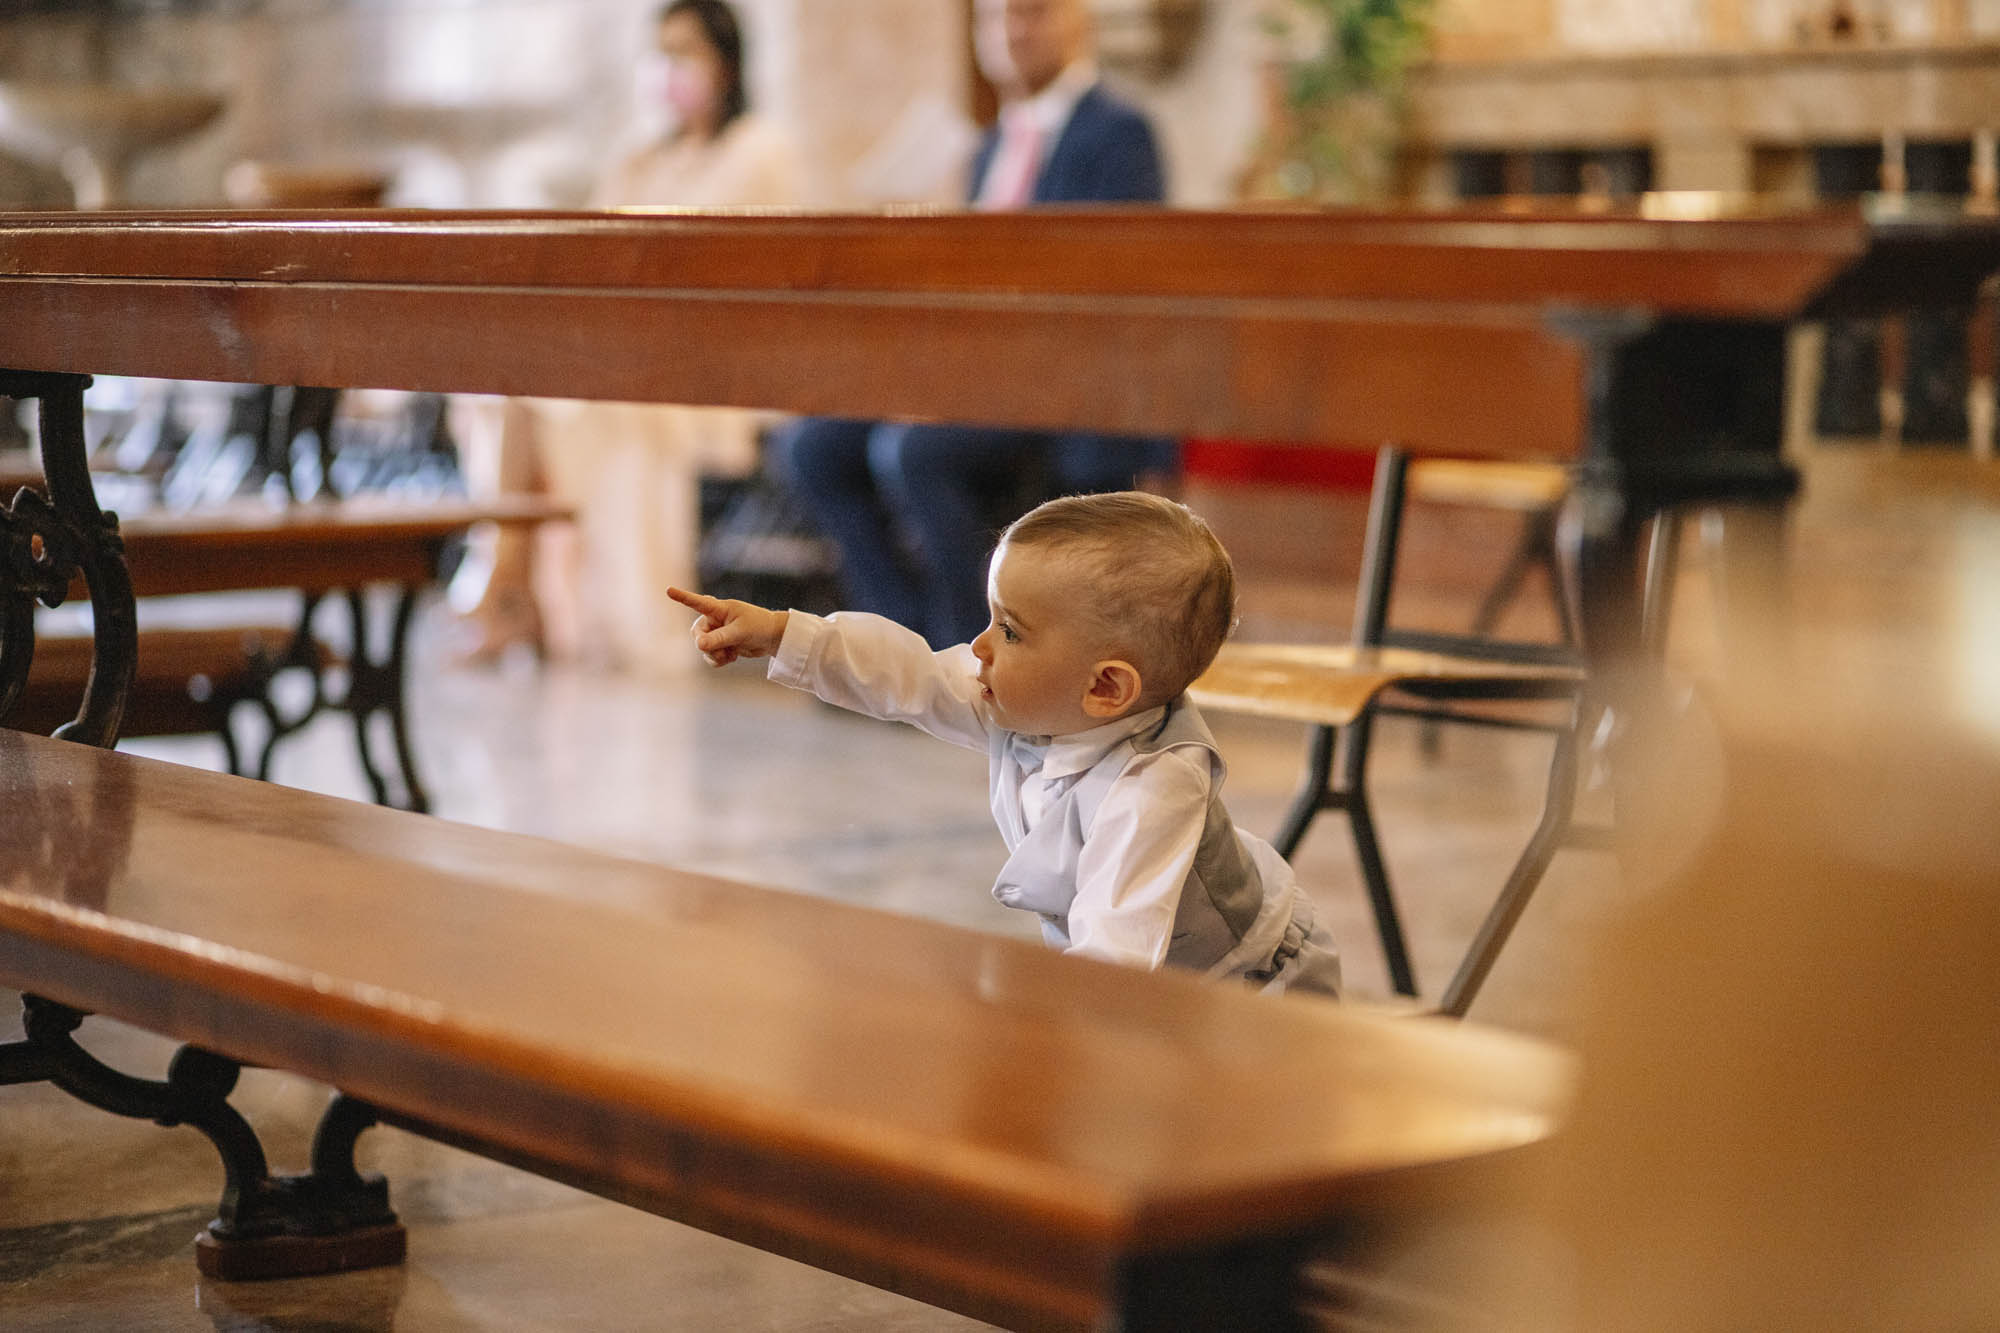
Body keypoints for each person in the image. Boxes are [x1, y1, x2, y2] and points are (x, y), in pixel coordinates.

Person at [667, 492, 1341, 995]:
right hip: (1161, 979)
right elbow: (913, 675)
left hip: (1250, 984)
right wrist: (785, 633)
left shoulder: (1156, 787)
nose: (980, 645)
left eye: (1010, 631)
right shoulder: (1033, 699)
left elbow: (1118, 948)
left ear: (1105, 686)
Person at [773, 0, 1176, 651]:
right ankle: (898, 637)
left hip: (1058, 383)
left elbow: (1127, 288)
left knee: (911, 450)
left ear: (1078, 19)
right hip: (973, 373)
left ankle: (970, 650)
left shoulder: (1117, 132)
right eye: (994, 17)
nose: (1011, 31)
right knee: (811, 447)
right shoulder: (994, 143)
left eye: (1031, 12)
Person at [451, 0, 798, 669]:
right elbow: (590, 254)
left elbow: (733, 267)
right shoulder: (641, 159)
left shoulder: (759, 149)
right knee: (502, 391)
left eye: (685, 52)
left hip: (710, 366)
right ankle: (515, 583)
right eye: (659, 53)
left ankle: (509, 589)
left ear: (725, 64)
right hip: (625, 356)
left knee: (569, 405)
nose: (669, 68)